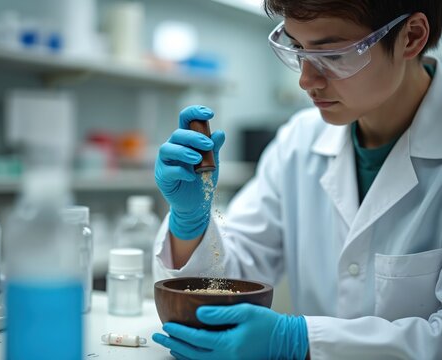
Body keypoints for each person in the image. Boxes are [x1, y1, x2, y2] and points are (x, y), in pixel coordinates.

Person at [152, 0, 442, 358]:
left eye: (333, 54)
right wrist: (190, 226)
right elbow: (228, 279)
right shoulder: (298, 142)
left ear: (411, 37)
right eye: (297, 49)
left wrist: (301, 342)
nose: (306, 80)